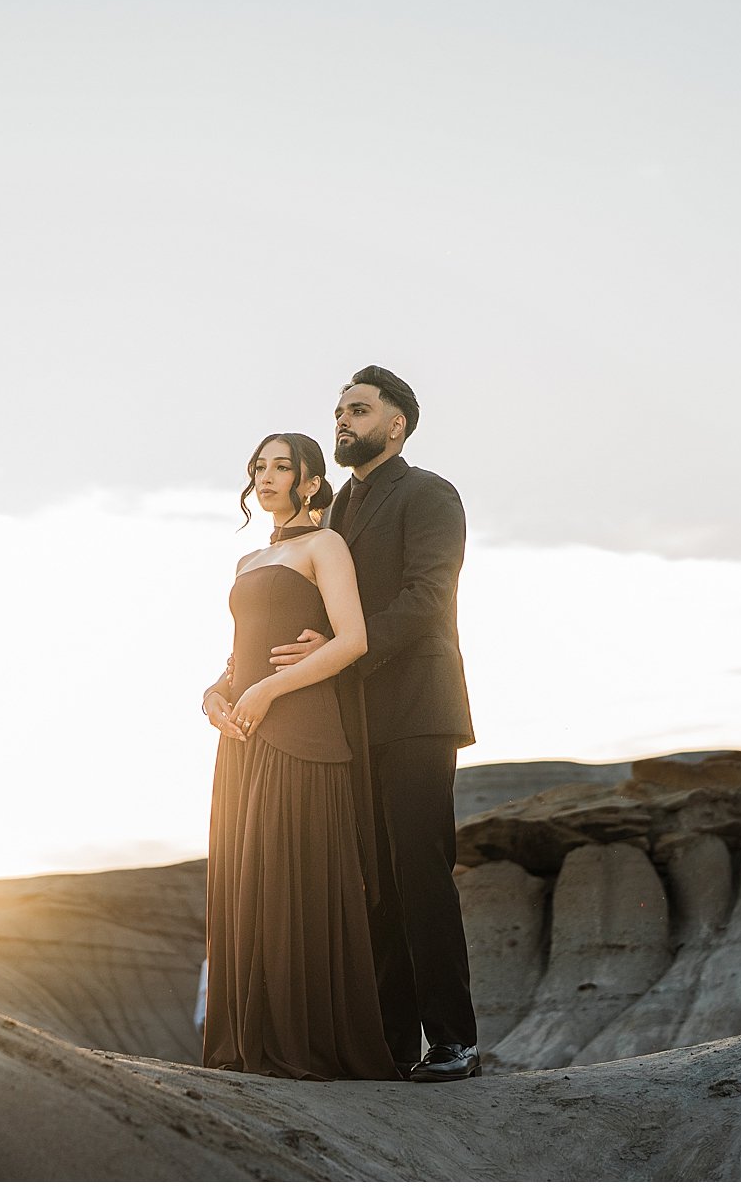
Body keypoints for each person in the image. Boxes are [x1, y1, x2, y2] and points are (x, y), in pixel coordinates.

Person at [269, 366, 480, 1081]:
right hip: (348, 718)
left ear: (396, 424)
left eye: (358, 410)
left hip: (418, 706)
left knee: (419, 871)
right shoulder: (331, 517)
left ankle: (454, 1040)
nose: (342, 422)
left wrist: (339, 652)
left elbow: (428, 597)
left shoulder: (429, 494)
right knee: (372, 883)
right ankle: (391, 1043)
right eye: (337, 411)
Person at [197, 432, 398, 1081]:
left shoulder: (325, 545)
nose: (267, 475)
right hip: (244, 738)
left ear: (310, 481)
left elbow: (353, 640)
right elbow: (241, 655)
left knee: (290, 884)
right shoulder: (247, 562)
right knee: (247, 882)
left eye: (282, 466)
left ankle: (301, 1046)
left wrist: (269, 688)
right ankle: (250, 1042)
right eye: (259, 465)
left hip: (302, 731)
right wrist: (215, 691)